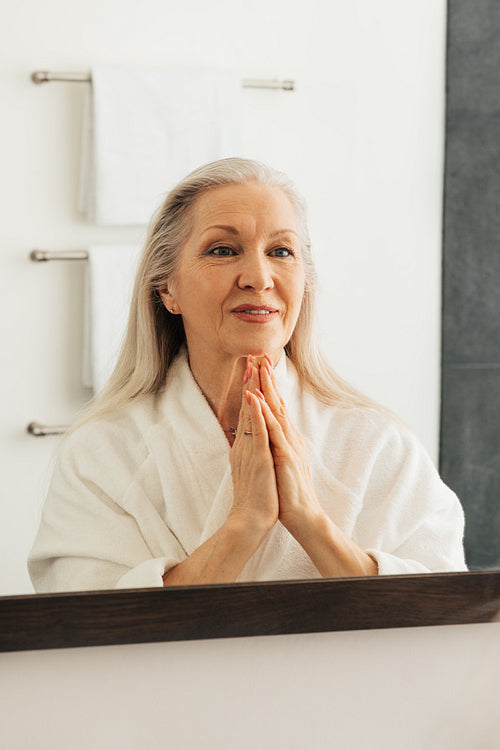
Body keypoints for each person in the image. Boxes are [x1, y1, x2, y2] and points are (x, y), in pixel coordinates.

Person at [28, 157, 466, 592]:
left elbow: (446, 614)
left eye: (281, 251)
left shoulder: (377, 443)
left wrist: (309, 520)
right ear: (167, 288)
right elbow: (88, 630)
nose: (259, 277)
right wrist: (245, 524)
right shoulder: (102, 450)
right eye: (223, 250)